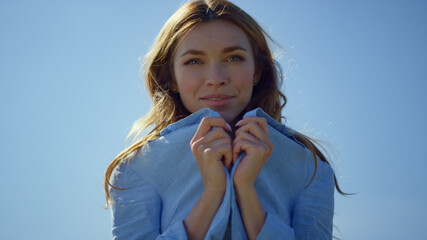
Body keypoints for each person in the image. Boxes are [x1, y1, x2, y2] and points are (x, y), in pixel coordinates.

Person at [104, 0, 346, 239]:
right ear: (171, 78)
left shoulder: (310, 170)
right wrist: (213, 192)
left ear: (257, 70)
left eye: (233, 58)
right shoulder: (136, 169)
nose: (216, 78)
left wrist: (246, 191)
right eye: (194, 61)